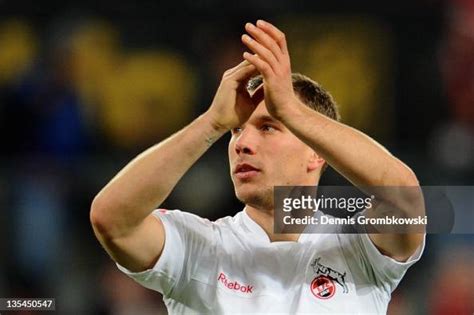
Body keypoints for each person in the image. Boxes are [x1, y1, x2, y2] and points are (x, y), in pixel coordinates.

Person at [90, 20, 425, 314]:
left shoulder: (360, 248)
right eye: (236, 130)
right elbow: (112, 219)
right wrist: (210, 123)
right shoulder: (200, 247)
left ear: (316, 153)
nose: (241, 144)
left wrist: (291, 112)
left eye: (268, 127)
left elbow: (405, 198)